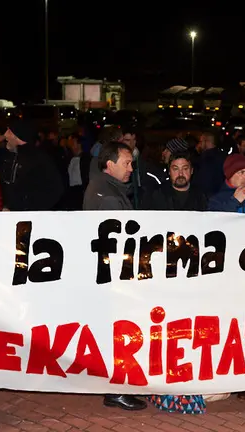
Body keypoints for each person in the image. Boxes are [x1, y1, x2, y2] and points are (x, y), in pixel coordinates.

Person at [83, 141, 148, 411]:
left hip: (107, 274)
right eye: (126, 163)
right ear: (109, 165)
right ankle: (116, 390)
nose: (131, 168)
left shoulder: (104, 188)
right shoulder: (108, 196)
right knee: (118, 333)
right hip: (113, 275)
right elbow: (119, 239)